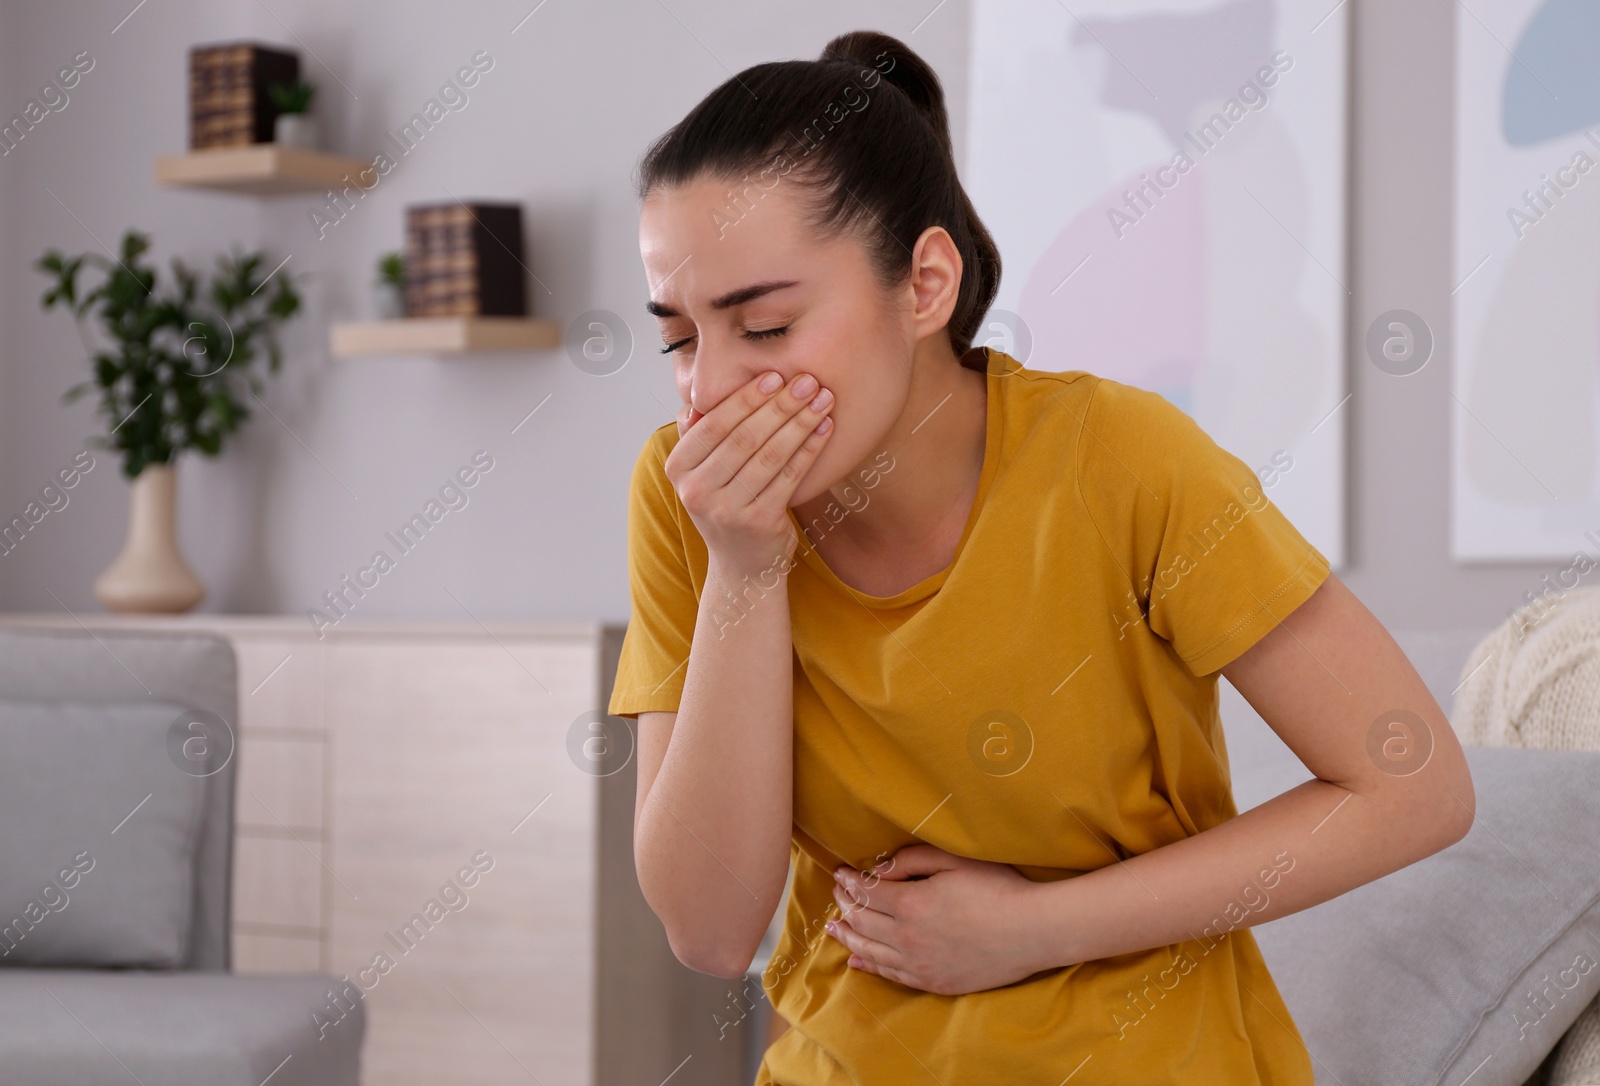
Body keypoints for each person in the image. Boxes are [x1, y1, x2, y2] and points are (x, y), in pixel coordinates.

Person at [608, 28, 1475, 1086]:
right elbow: (708, 931)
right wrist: (745, 575)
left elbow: (1414, 787)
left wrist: (1034, 930)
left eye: (768, 326)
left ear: (925, 285)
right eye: (679, 339)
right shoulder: (687, 499)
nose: (707, 391)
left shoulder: (1120, 462)